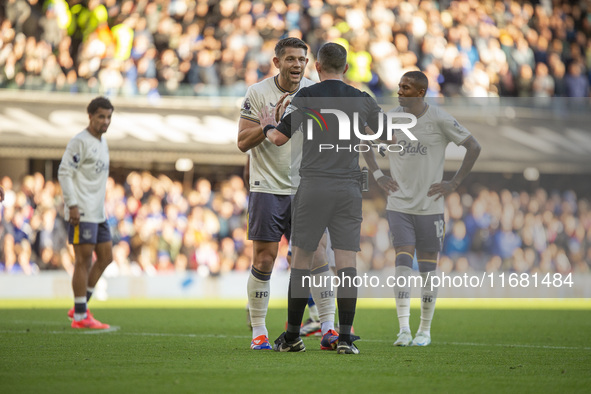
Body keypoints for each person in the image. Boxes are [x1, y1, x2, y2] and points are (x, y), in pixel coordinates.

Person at [259, 42, 391, 354]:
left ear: (316, 67)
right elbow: (389, 136)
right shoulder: (362, 99)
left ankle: (292, 337)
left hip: (314, 186)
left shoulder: (305, 96)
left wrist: (267, 124)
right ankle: (345, 338)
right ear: (346, 68)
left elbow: (277, 138)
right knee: (346, 263)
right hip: (348, 188)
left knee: (302, 261)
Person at [365, 71, 481, 346]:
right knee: (403, 262)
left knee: (429, 269)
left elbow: (473, 146)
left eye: (405, 88)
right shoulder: (389, 119)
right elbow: (365, 142)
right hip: (399, 205)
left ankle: (424, 330)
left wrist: (454, 183)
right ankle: (404, 329)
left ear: (420, 93)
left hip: (430, 206)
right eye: (399, 86)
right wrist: (379, 176)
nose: (399, 91)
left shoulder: (439, 119)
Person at [237, 37, 336, 350]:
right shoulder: (257, 93)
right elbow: (242, 141)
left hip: (307, 187)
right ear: (277, 62)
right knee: (265, 259)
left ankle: (329, 328)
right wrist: (270, 125)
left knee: (318, 254)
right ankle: (258, 333)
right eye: (291, 59)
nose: (297, 65)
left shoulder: (315, 94)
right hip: (267, 186)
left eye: (302, 60)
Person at [58, 96, 114, 329]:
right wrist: (72, 205)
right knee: (83, 261)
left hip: (98, 212)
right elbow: (64, 172)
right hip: (82, 211)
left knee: (106, 257)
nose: (105, 121)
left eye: (109, 117)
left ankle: (81, 306)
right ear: (90, 116)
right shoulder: (79, 142)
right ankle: (81, 316)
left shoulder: (102, 142)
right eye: (101, 116)